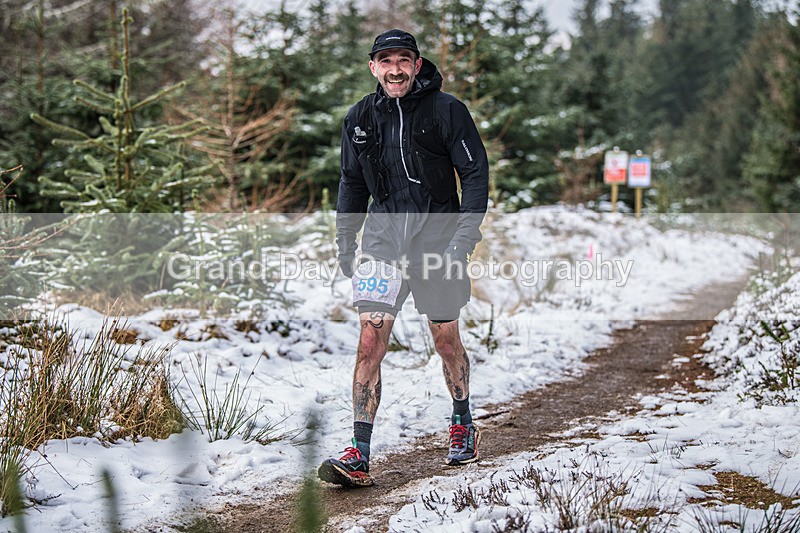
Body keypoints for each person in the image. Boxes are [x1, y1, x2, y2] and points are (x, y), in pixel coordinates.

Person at [317, 29, 489, 487]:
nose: (395, 68)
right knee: (370, 341)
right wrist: (345, 241)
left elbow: (474, 176)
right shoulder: (359, 118)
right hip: (383, 242)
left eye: (404, 59)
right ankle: (359, 452)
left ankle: (462, 422)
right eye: (385, 60)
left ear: (416, 65)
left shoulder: (447, 110)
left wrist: (462, 241)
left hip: (438, 240)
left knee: (445, 339)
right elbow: (351, 183)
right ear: (373, 67)